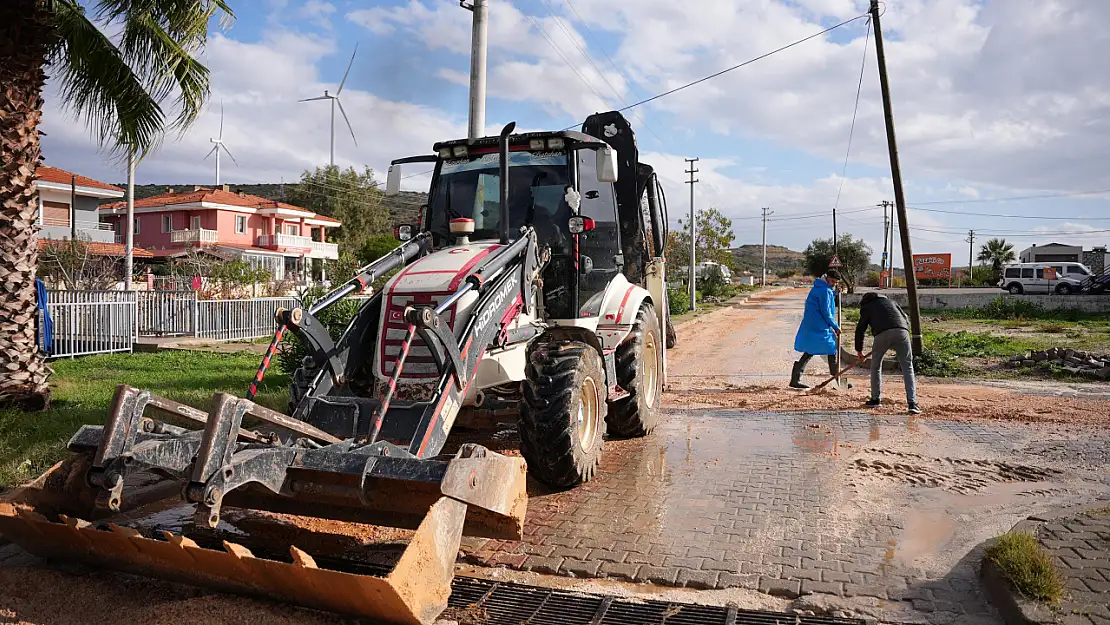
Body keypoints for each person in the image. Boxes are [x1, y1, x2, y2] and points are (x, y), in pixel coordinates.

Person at [854, 292, 921, 414]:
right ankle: (912, 404)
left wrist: (859, 350)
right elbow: (906, 319)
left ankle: (875, 399)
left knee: (876, 366)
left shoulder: (867, 307)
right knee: (907, 367)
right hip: (902, 331)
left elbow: (860, 329)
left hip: (882, 334)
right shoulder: (892, 302)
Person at [790, 270, 850, 390]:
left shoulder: (819, 287)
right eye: (832, 281)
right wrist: (836, 327)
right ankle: (837, 380)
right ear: (827, 278)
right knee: (832, 349)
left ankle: (795, 379)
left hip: (812, 324)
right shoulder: (825, 290)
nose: (833, 284)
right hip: (819, 325)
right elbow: (826, 312)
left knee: (811, 350)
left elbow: (822, 302)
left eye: (836, 282)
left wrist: (834, 293)